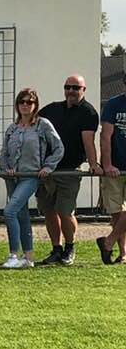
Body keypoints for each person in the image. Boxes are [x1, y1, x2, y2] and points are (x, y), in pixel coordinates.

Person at [37, 74, 101, 266]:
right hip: (47, 170)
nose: (71, 91)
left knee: (65, 211)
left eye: (75, 87)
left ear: (84, 89)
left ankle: (70, 247)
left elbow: (88, 142)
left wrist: (94, 164)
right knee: (49, 211)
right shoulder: (52, 109)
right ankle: (56, 249)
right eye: (68, 87)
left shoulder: (89, 112)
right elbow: (30, 123)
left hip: (70, 171)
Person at [0, 89, 64, 269]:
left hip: (31, 176)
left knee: (9, 211)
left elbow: (58, 147)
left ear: (35, 105)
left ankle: (13, 254)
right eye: (22, 102)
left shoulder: (43, 125)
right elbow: (4, 153)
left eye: (29, 102)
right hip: (12, 177)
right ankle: (28, 257)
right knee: (22, 214)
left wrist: (48, 167)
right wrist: (6, 168)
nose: (25, 105)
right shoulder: (12, 128)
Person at [97, 83, 126, 265]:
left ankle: (108, 242)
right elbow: (105, 136)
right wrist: (107, 164)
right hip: (115, 167)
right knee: (117, 213)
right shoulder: (114, 104)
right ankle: (123, 254)